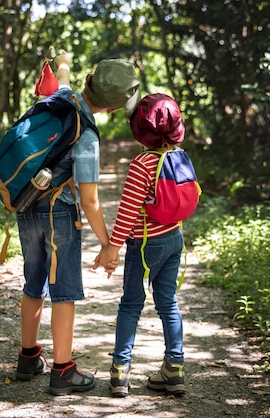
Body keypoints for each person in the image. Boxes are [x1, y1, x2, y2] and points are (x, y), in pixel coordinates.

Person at [15, 52, 140, 396]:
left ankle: (28, 358)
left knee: (34, 282)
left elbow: (64, 75)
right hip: (59, 216)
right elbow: (89, 201)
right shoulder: (86, 133)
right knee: (64, 292)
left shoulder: (61, 97)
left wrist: (63, 62)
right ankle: (63, 370)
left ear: (88, 80)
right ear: (113, 109)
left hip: (26, 206)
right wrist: (108, 244)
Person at [95, 93, 187, 398]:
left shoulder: (142, 164)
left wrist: (113, 248)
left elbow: (128, 210)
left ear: (140, 129)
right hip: (175, 239)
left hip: (146, 244)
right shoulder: (179, 155)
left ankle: (120, 372)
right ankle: (174, 370)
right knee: (168, 303)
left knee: (132, 304)